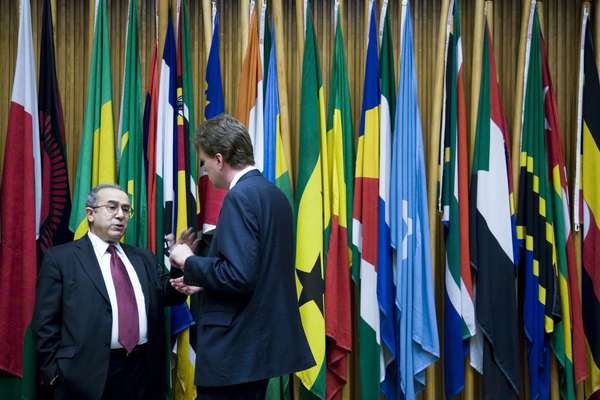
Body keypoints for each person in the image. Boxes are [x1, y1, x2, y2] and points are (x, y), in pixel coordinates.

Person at [169, 114, 314, 399]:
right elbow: (257, 271)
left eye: (204, 162)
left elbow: (239, 275)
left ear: (220, 159)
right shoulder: (275, 196)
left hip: (235, 351)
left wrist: (188, 260)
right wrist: (204, 281)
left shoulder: (240, 198)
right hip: (259, 348)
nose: (205, 170)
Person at [32, 184, 186, 400]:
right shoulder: (61, 259)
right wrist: (55, 375)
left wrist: (181, 268)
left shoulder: (143, 258)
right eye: (112, 207)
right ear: (90, 214)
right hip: (85, 377)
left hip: (142, 372)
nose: (121, 215)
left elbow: (167, 294)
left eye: (126, 209)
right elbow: (45, 324)